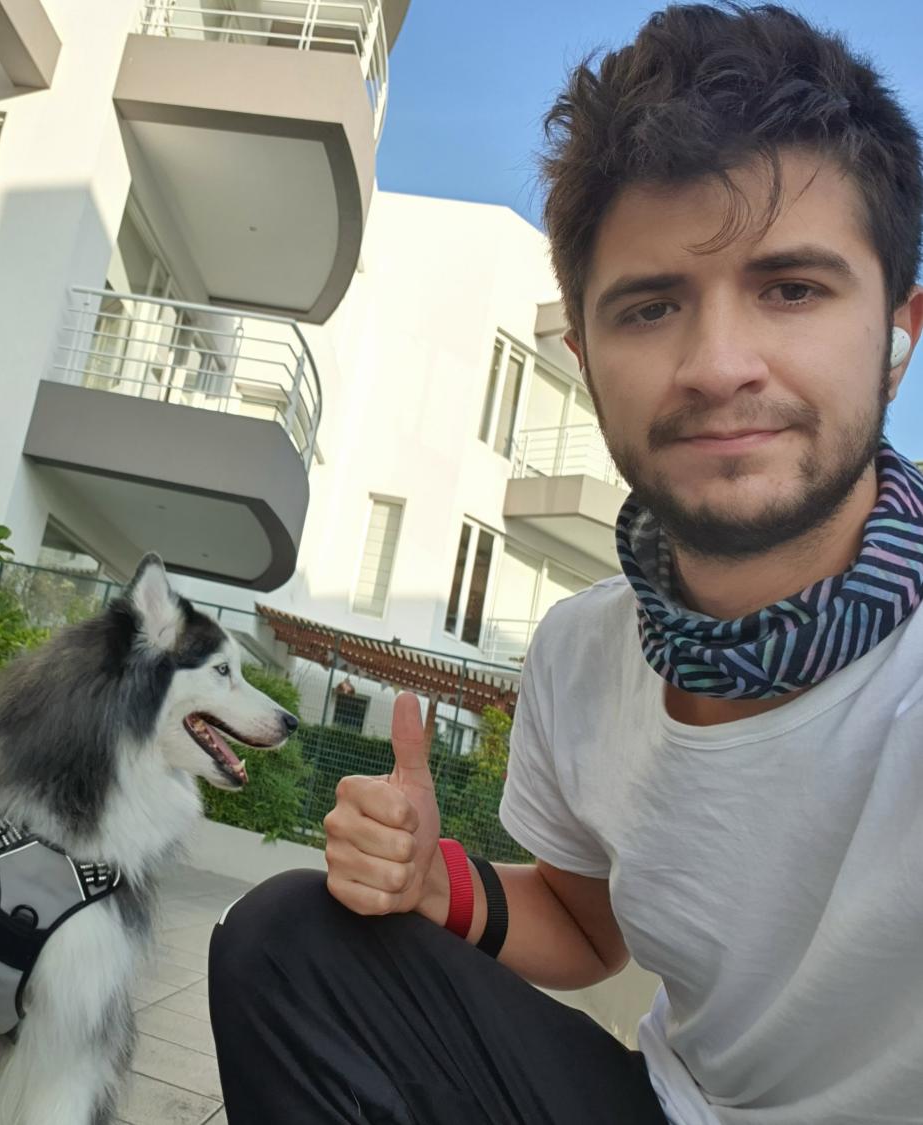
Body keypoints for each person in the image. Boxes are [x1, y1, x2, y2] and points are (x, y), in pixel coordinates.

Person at [206, 5, 923, 1123]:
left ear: (899, 333)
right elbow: (590, 930)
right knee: (287, 942)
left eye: (792, 288)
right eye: (651, 307)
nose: (718, 364)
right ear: (585, 357)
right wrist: (429, 876)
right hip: (673, 1105)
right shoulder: (585, 650)